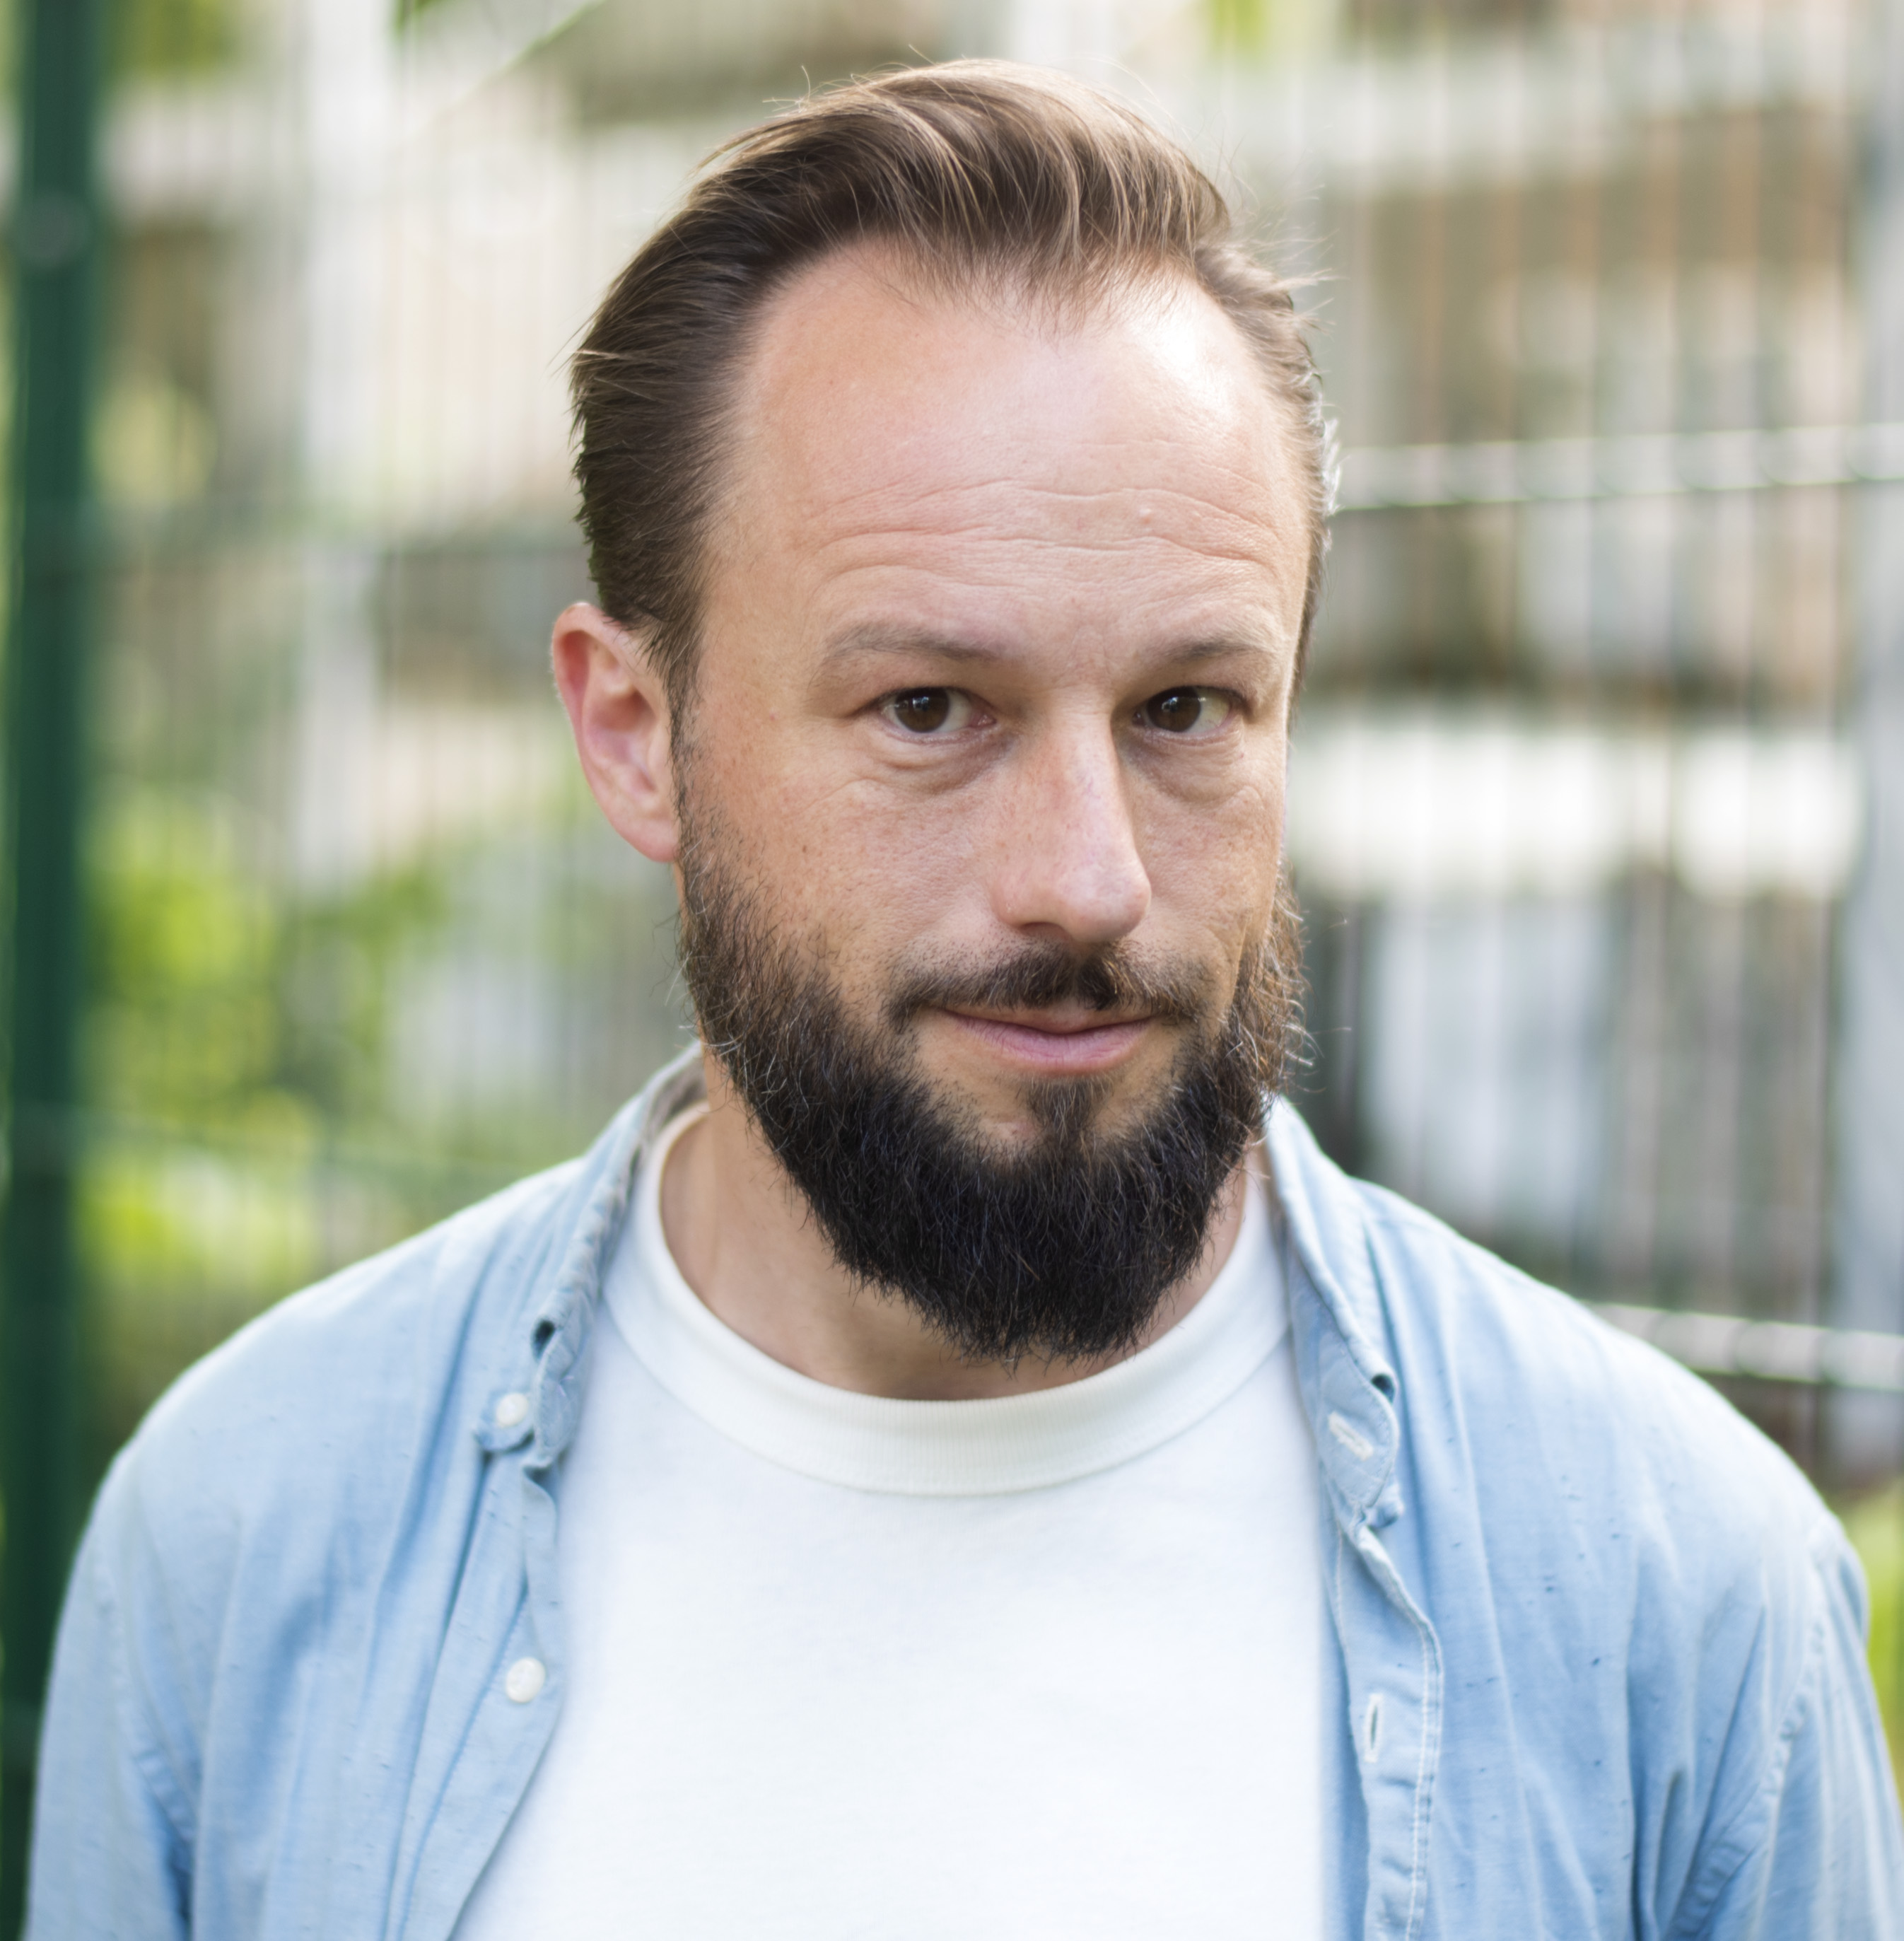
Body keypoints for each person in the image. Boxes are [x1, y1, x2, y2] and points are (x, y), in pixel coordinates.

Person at [28, 61, 1903, 1941]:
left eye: (1186, 709)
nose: (1088, 876)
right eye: (929, 708)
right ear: (635, 731)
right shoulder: (252, 1537)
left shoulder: (1681, 1612)